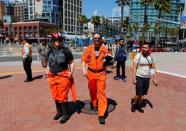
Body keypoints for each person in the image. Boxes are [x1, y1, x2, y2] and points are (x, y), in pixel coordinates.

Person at [46, 32, 77, 124]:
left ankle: (65, 114)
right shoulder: (50, 51)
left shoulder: (66, 50)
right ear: (52, 41)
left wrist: (71, 71)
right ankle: (59, 112)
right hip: (52, 77)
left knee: (62, 96)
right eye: (55, 40)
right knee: (55, 96)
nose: (57, 42)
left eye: (59, 40)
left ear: (61, 41)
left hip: (63, 76)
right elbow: (48, 64)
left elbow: (71, 62)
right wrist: (47, 74)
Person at [81, 33, 111, 124]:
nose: (96, 40)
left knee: (101, 92)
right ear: (92, 39)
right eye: (95, 38)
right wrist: (84, 69)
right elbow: (83, 60)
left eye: (98, 38)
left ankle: (101, 114)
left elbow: (110, 62)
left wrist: (112, 63)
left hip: (101, 74)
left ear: (101, 39)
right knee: (92, 90)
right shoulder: (88, 49)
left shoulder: (105, 50)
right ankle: (94, 104)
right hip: (91, 73)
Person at [132, 41, 158, 112]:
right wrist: (134, 78)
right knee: (138, 93)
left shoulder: (151, 57)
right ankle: (134, 104)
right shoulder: (138, 56)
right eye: (143, 47)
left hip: (147, 78)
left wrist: (154, 78)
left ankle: (138, 104)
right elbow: (134, 67)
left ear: (149, 49)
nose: (143, 49)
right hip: (139, 76)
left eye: (146, 48)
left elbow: (152, 68)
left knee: (143, 94)